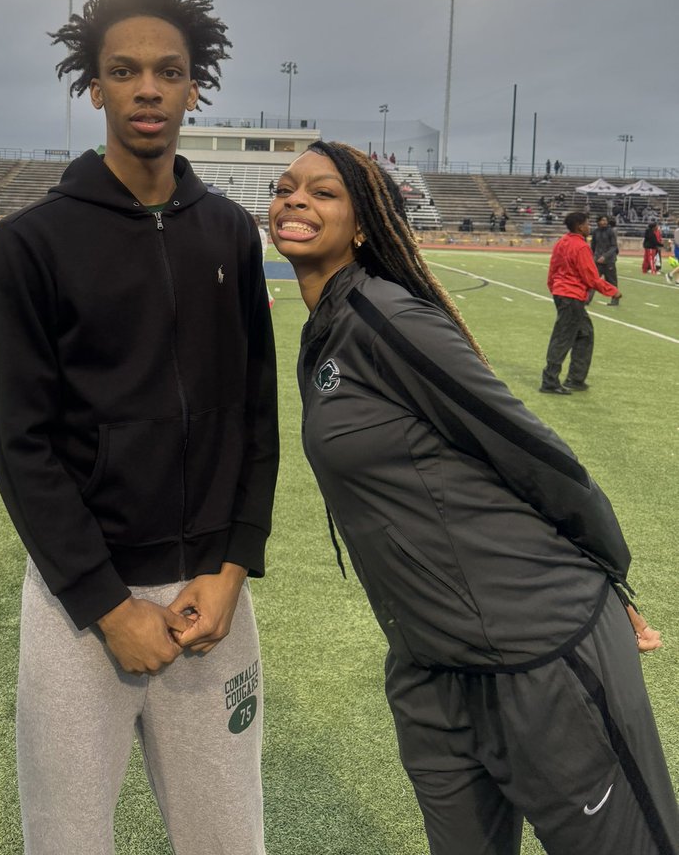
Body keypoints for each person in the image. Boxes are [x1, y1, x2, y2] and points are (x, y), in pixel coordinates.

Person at [269, 141, 677, 855]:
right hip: (430, 671)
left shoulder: (383, 317)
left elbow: (533, 452)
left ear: (365, 225)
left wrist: (610, 570)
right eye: (285, 187)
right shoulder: (327, 328)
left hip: (539, 655)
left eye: (324, 192)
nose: (296, 199)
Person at [0, 0, 279, 855]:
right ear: (93, 85)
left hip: (209, 597)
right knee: (68, 840)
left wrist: (234, 567)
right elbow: (21, 445)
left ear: (196, 83)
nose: (147, 88)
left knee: (228, 839)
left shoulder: (230, 231)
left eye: (168, 69)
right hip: (84, 601)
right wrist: (108, 605)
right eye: (124, 70)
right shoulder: (31, 242)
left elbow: (256, 417)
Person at [541, 212, 620, 394]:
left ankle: (576, 378)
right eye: (586, 224)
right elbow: (591, 277)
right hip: (572, 296)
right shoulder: (581, 246)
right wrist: (613, 291)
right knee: (563, 338)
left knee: (585, 333)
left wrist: (554, 287)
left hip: (562, 293)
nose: (589, 226)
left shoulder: (562, 242)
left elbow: (553, 268)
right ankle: (550, 380)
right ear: (579, 227)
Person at [590, 214, 620, 306]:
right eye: (602, 220)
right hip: (597, 260)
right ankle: (587, 299)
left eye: (605, 220)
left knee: (611, 281)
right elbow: (593, 246)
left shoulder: (611, 232)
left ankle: (615, 300)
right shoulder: (595, 232)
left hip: (609, 261)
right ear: (598, 221)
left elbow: (614, 246)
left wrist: (605, 256)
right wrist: (593, 256)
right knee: (593, 280)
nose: (604, 222)